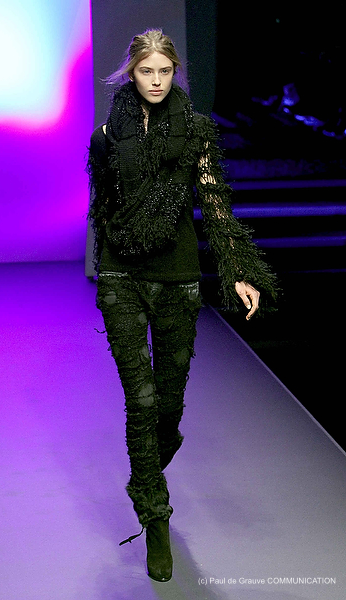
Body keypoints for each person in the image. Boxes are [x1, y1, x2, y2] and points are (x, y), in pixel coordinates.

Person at [87, 29, 278, 582]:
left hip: (178, 278)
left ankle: (149, 464)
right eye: (146, 71)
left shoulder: (195, 132)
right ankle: (156, 516)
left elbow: (215, 206)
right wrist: (108, 266)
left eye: (164, 72)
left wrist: (238, 272)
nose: (155, 81)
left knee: (168, 406)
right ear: (131, 73)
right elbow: (102, 207)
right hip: (122, 278)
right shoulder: (105, 137)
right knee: (141, 401)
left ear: (175, 73)